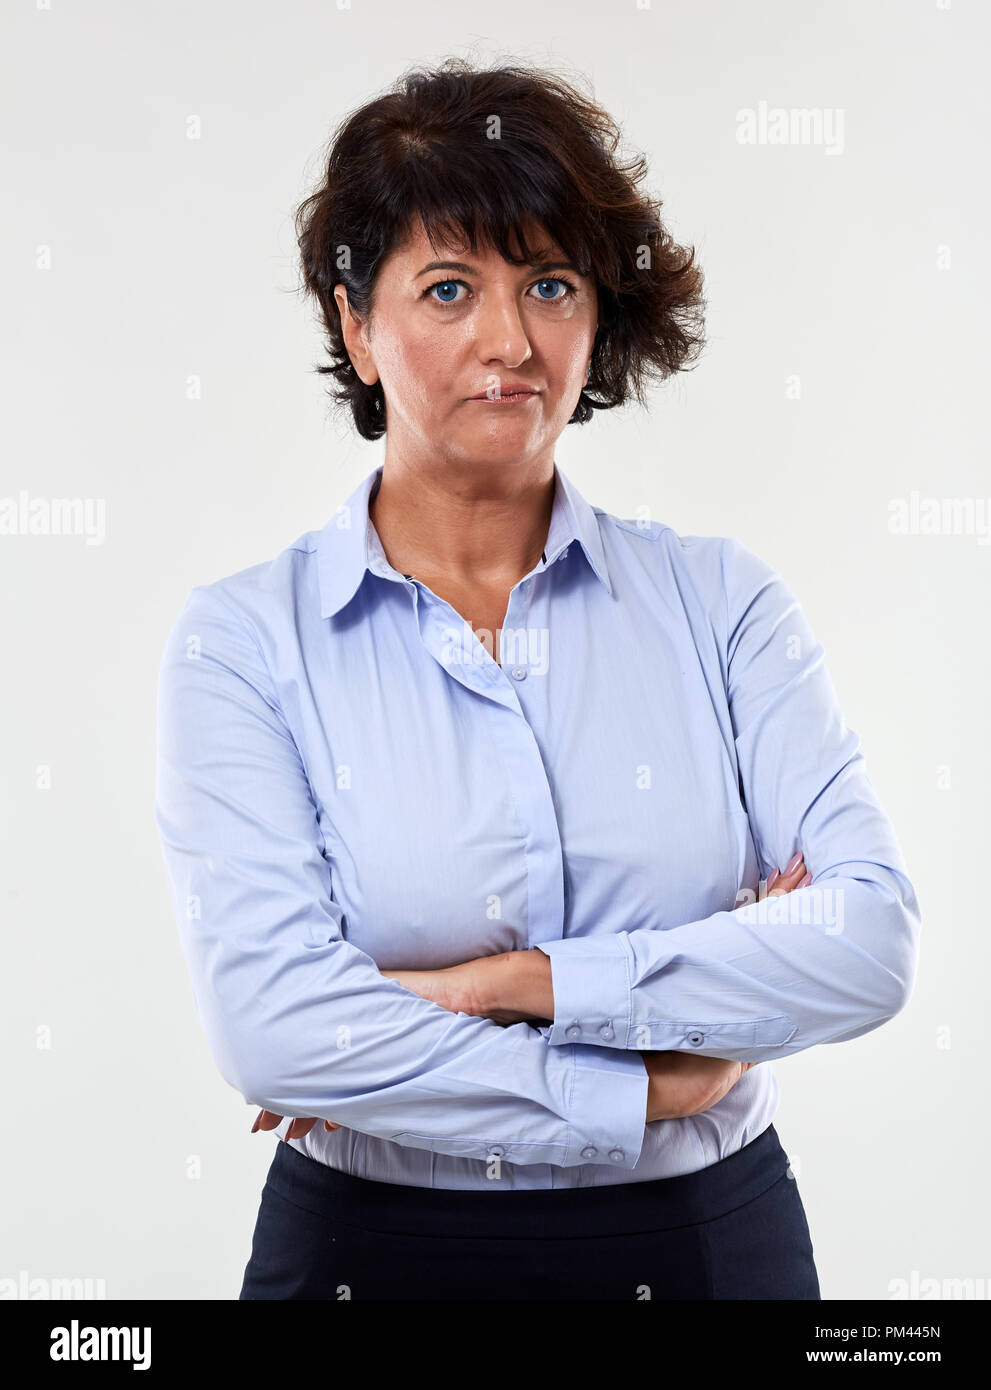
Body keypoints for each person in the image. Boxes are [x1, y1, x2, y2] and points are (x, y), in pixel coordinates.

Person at [154, 58, 921, 1301]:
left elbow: (867, 940)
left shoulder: (721, 604)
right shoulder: (245, 642)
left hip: (705, 1248)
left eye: (550, 286)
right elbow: (277, 1030)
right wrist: (644, 1075)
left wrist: (517, 985)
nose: (509, 342)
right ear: (356, 326)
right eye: (448, 288)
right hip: (369, 1253)